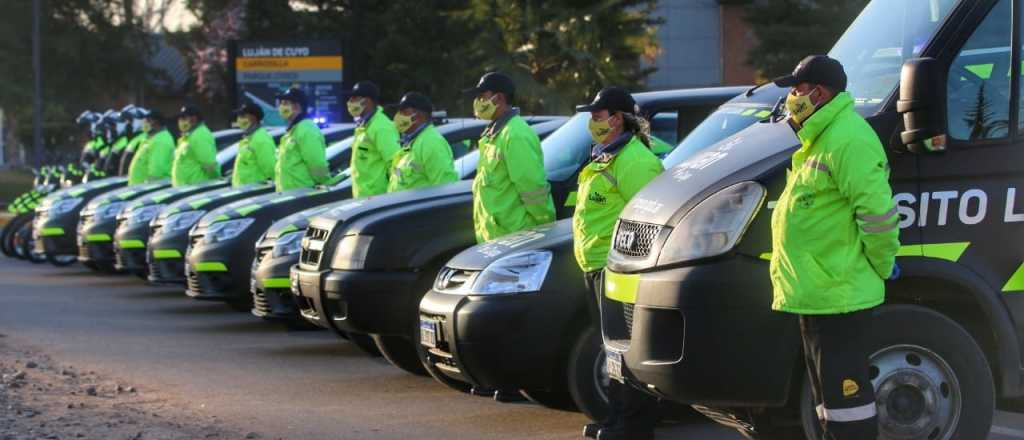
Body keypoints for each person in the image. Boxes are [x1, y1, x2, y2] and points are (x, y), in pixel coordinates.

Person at [770, 55, 900, 439]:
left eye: (796, 90)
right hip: (819, 296)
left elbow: (877, 215)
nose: (791, 98)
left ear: (819, 93)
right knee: (831, 407)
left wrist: (881, 265)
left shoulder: (848, 139)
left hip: (840, 297)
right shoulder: (820, 138)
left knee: (847, 411)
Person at [573, 87, 662, 440]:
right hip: (596, 268)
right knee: (611, 351)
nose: (593, 121)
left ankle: (634, 426)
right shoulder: (604, 156)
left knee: (625, 350)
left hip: (620, 271)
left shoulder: (637, 162)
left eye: (599, 115)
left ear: (619, 119)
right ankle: (616, 418)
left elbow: (649, 221)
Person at [466, 72, 555, 243]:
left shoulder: (515, 135)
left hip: (516, 238)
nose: (478, 102)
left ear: (498, 98)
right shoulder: (495, 135)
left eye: (482, 97)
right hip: (497, 239)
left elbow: (532, 188)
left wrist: (543, 229)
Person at [387, 92, 457, 193]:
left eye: (403, 112)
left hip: (419, 208)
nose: (398, 116)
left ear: (418, 115)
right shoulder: (413, 142)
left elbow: (445, 189)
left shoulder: (431, 142)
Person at [347, 80, 401, 197]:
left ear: (367, 101)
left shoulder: (381, 127)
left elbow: (394, 164)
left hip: (377, 199)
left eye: (354, 98)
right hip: (364, 198)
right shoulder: (363, 126)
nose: (350, 102)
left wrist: (393, 196)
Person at [274, 87, 329, 192]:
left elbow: (317, 164)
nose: (281, 107)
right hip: (289, 196)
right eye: (281, 103)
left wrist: (324, 184)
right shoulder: (292, 131)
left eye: (285, 103)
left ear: (297, 106)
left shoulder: (307, 129)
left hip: (302, 194)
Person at [171, 105, 219, 186]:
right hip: (186, 189)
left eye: (184, 119)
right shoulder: (189, 136)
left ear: (194, 119)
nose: (180, 122)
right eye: (180, 119)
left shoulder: (200, 136)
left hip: (196, 189)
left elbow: (209, 166)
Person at [231, 102, 277, 187]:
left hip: (255, 193)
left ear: (254, 118)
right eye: (238, 116)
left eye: (243, 116)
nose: (239, 120)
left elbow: (271, 169)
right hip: (243, 192)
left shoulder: (261, 139)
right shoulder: (248, 139)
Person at [127, 110, 175, 185]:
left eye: (147, 121)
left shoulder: (161, 141)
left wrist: (148, 187)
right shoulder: (150, 138)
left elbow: (156, 171)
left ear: (155, 122)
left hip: (149, 188)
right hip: (139, 187)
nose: (144, 123)